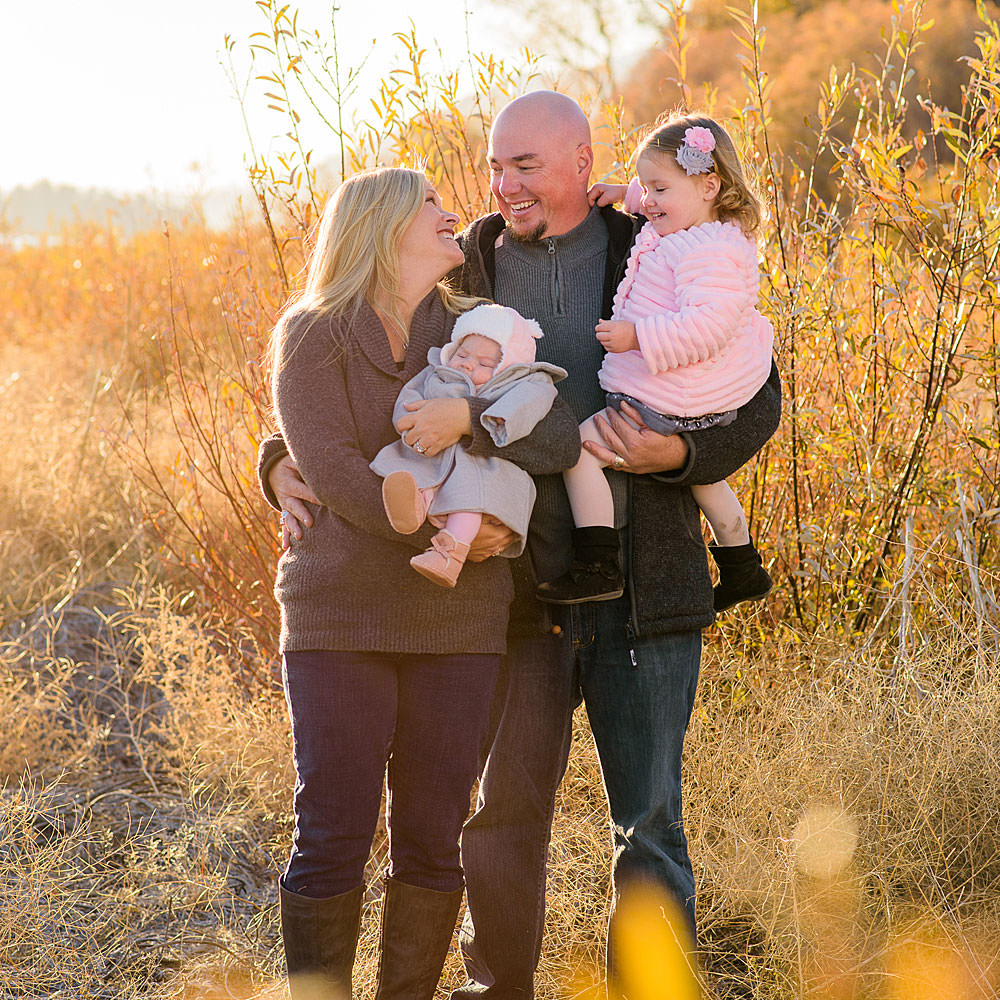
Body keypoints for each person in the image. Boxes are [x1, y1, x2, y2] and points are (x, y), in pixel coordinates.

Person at [261, 92, 781, 998]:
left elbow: (756, 391)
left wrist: (683, 451)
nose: (502, 185)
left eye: (525, 166)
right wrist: (279, 459)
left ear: (584, 161)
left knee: (649, 820)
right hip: (515, 592)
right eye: (495, 167)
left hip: (641, 582)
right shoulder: (472, 271)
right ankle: (497, 987)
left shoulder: (656, 240)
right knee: (499, 819)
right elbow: (359, 365)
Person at [267, 165, 580, 1000]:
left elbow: (550, 433)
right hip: (340, 613)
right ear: (385, 224)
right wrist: (418, 518)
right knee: (333, 830)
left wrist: (481, 477)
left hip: (458, 616)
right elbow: (325, 461)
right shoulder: (315, 330)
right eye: (432, 206)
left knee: (433, 837)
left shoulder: (481, 328)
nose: (453, 215)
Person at [536, 114, 775, 610]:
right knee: (705, 477)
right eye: (645, 187)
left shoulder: (707, 254)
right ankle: (742, 566)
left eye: (658, 188)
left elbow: (706, 327)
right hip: (690, 400)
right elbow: (658, 209)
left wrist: (636, 336)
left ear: (709, 185)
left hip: (669, 395)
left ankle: (597, 563)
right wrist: (625, 191)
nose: (648, 202)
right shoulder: (699, 228)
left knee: (580, 453)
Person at [371, 302, 567, 588]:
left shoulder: (525, 383)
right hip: (430, 455)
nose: (467, 364)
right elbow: (409, 396)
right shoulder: (437, 372)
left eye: (485, 364)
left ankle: (449, 555)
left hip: (485, 467)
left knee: (472, 496)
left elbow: (529, 403)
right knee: (418, 478)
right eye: (462, 354)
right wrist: (410, 423)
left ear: (508, 367)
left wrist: (487, 420)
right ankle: (411, 510)